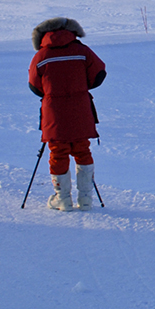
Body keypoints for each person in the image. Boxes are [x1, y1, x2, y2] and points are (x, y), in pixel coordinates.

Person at [27, 17, 106, 211]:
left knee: (58, 152)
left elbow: (34, 85)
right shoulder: (82, 51)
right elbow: (99, 74)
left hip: (54, 111)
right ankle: (86, 199)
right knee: (82, 149)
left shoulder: (41, 56)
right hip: (80, 108)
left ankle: (62, 199)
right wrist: (80, 86)